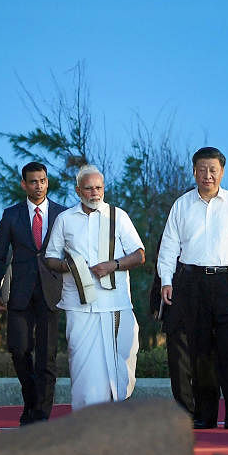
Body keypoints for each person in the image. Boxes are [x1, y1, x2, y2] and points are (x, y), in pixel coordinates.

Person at [158, 147, 228, 429]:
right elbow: (169, 247)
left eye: (213, 169)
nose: (208, 175)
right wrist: (166, 281)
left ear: (222, 172)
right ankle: (205, 415)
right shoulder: (181, 205)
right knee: (201, 352)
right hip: (193, 284)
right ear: (194, 171)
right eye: (202, 169)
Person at [44, 165, 145, 410]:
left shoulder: (118, 216)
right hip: (79, 305)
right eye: (88, 188)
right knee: (82, 364)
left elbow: (140, 255)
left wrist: (113, 265)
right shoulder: (65, 219)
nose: (94, 193)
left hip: (115, 303)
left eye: (98, 187)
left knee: (123, 357)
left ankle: (117, 412)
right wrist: (70, 267)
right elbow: (50, 258)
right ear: (78, 190)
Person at [0, 161, 65, 425]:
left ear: (47, 181)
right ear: (24, 184)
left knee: (47, 356)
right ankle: (31, 402)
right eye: (33, 181)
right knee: (19, 350)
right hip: (19, 292)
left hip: (51, 292)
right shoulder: (12, 215)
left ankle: (40, 415)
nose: (39, 186)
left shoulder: (62, 214)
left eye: (42, 180)